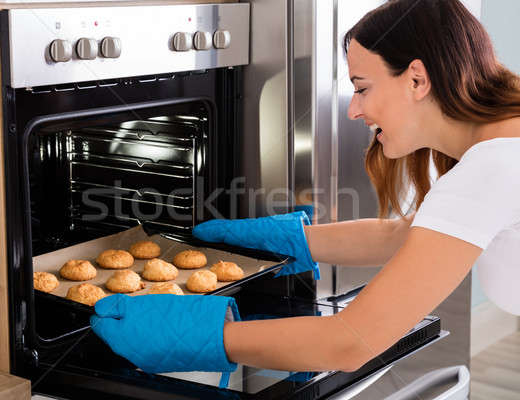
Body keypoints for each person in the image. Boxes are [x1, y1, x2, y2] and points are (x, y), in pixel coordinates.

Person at [91, 0, 520, 378]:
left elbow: (351, 341)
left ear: (416, 80)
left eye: (362, 88)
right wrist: (289, 241)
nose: (354, 110)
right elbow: (409, 235)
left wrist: (201, 336)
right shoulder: (499, 146)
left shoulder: (490, 166)